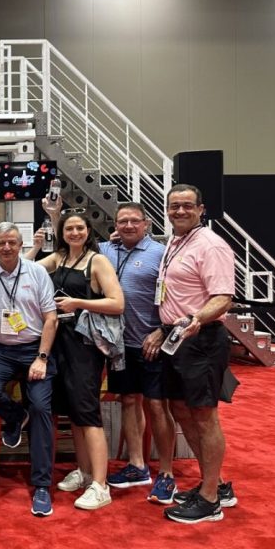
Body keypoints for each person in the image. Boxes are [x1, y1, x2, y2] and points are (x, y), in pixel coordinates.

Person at [145, 184, 236, 524]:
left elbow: (223, 297)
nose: (180, 211)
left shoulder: (211, 245)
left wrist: (197, 318)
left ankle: (210, 501)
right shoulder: (176, 241)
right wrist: (166, 327)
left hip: (201, 340)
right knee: (181, 409)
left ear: (201, 209)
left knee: (204, 416)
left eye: (187, 205)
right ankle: (218, 485)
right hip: (176, 337)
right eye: (174, 206)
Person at [30, 209, 124, 511]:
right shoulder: (59, 258)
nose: (74, 233)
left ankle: (101, 484)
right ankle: (84, 472)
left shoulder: (97, 261)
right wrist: (35, 245)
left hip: (85, 345)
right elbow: (26, 268)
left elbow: (117, 303)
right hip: (59, 342)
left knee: (88, 412)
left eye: (79, 228)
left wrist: (78, 302)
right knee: (73, 412)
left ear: (88, 231)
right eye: (69, 228)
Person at [0, 223, 58, 516]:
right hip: (0, 350)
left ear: (21, 245)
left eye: (11, 242)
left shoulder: (36, 272)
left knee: (41, 408)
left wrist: (42, 358)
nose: (6, 247)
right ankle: (16, 416)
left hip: (34, 348)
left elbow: (51, 319)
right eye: (1, 243)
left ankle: (42, 485)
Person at [97, 203, 179, 504]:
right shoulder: (106, 250)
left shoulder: (161, 254)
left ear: (146, 224)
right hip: (119, 346)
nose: (128, 226)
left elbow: (175, 297)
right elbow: (72, 244)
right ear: (115, 225)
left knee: (156, 406)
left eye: (134, 221)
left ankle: (166, 474)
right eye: (123, 221)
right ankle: (137, 465)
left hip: (151, 343)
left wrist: (162, 330)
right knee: (128, 401)